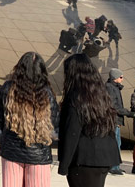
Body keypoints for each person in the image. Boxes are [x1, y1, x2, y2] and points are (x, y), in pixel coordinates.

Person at [0, 52, 59, 187]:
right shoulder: (47, 92)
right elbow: (54, 121)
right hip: (39, 152)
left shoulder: (8, 88)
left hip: (12, 149)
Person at [58, 54, 120, 187]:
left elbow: (72, 132)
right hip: (104, 157)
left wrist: (64, 164)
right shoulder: (101, 93)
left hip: (84, 159)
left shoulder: (75, 97)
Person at [104, 69, 135, 175]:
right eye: (121, 77)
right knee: (115, 144)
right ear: (115, 77)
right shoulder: (110, 88)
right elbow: (114, 106)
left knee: (117, 143)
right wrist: (129, 113)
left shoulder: (114, 87)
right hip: (112, 120)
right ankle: (113, 166)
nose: (122, 79)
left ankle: (115, 165)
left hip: (115, 120)